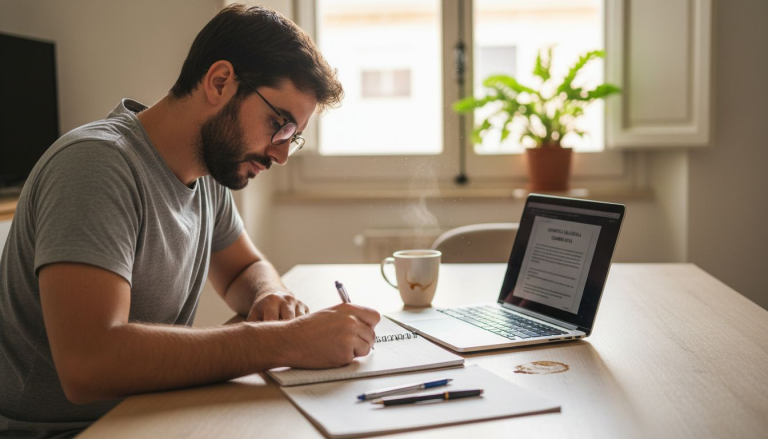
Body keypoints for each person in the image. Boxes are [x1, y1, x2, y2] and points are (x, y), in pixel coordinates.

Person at [0, 4, 380, 438]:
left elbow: (243, 269)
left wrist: (269, 292)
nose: (281, 154)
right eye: (279, 124)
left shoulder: (208, 176)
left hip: (150, 414)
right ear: (219, 82)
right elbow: (89, 363)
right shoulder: (95, 166)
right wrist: (288, 341)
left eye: (293, 137)